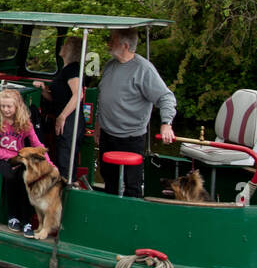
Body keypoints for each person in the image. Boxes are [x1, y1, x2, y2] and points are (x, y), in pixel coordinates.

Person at [96, 28, 176, 197]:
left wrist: (166, 124)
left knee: (131, 183)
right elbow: (104, 98)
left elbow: (166, 97)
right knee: (108, 178)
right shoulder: (110, 65)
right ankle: (110, 212)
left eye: (112, 40)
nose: (108, 44)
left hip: (130, 138)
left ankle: (132, 218)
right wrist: (98, 124)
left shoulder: (143, 69)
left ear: (125, 45)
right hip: (107, 134)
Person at [0, 88, 46, 237]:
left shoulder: (25, 123)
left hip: (20, 160)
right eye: (2, 106)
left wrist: (49, 163)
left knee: (27, 180)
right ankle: (12, 216)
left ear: (17, 107)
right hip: (4, 159)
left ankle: (27, 220)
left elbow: (37, 144)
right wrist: (12, 156)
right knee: (9, 177)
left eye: (9, 106)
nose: (5, 109)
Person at [33, 35, 83, 179]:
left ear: (69, 49)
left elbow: (77, 95)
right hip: (65, 120)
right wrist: (43, 90)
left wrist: (62, 117)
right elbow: (57, 98)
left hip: (70, 121)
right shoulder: (65, 69)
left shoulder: (72, 69)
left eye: (64, 45)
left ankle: (66, 194)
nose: (61, 47)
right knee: (61, 158)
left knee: (65, 162)